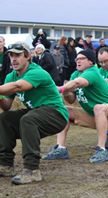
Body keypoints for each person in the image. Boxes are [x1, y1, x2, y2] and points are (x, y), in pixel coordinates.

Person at [0, 42, 69, 185]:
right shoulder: (10, 76)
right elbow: (6, 106)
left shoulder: (37, 72)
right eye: (11, 55)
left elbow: (19, 86)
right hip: (36, 112)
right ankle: (5, 165)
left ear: (28, 56)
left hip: (56, 114)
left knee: (28, 119)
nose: (13, 59)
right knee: (4, 118)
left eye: (18, 55)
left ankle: (32, 170)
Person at [43, 49, 108, 163]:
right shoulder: (75, 74)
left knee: (99, 107)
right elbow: (71, 100)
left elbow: (77, 83)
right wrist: (66, 92)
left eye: (81, 59)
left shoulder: (92, 72)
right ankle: (61, 148)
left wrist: (60, 88)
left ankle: (101, 150)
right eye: (76, 59)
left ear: (90, 62)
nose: (77, 61)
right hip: (93, 115)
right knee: (64, 110)